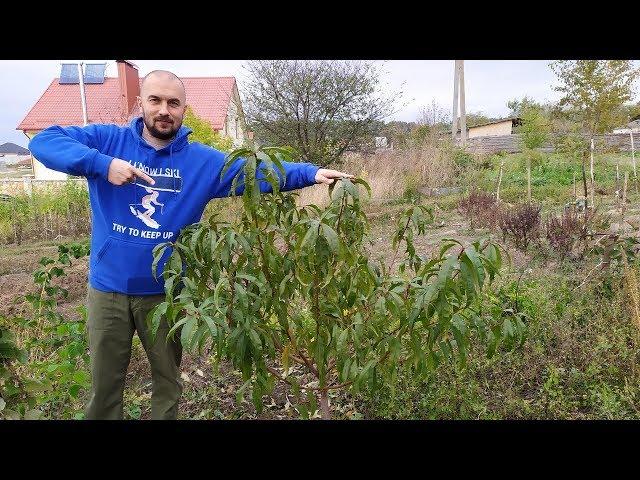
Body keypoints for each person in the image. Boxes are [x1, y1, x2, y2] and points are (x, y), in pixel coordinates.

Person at [28, 70, 352, 420]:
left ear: (184, 109)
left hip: (166, 294)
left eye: (173, 102)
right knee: (105, 391)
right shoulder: (107, 142)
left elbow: (255, 172)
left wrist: (311, 173)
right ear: (141, 104)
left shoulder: (203, 162)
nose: (164, 110)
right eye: (155, 100)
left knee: (167, 385)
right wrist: (101, 164)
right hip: (108, 291)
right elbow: (44, 141)